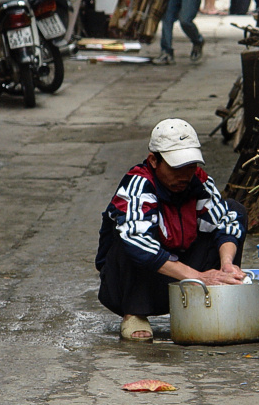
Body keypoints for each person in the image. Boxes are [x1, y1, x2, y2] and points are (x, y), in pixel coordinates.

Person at [96, 118, 247, 341]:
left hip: (180, 276)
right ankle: (134, 313)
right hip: (136, 283)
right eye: (177, 167)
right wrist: (198, 277)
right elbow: (139, 242)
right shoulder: (138, 184)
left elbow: (224, 221)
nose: (185, 175)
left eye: (191, 166)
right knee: (129, 236)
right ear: (154, 161)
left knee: (234, 210)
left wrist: (226, 265)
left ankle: (210, 300)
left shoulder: (198, 182)